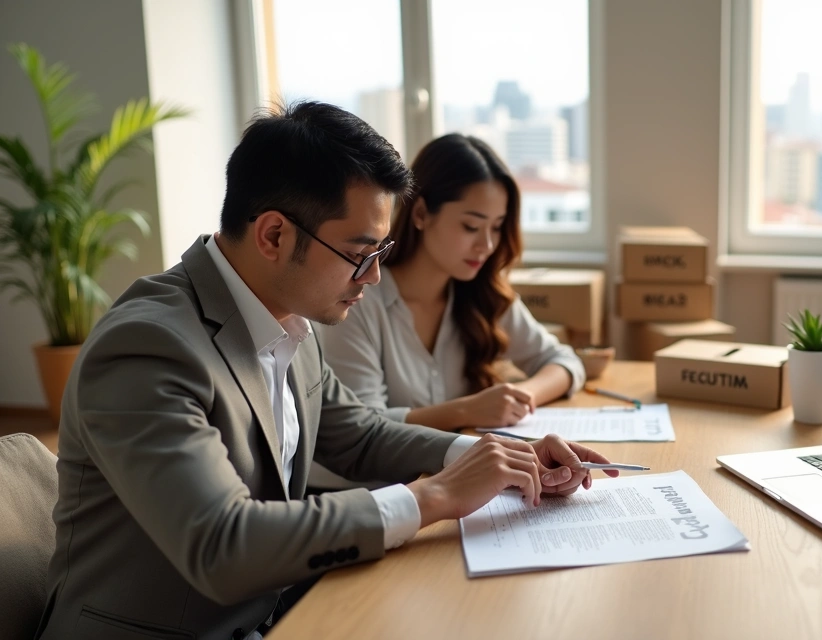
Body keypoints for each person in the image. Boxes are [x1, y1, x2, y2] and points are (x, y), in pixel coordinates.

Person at [37, 102, 613, 640]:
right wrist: (431, 497)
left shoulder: (290, 314)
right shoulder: (148, 346)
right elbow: (221, 545)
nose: (374, 278)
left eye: (381, 253)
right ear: (273, 235)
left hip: (273, 611)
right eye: (360, 254)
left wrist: (492, 457)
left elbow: (358, 432)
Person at [318, 133, 584, 431]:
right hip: (379, 479)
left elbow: (563, 361)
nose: (487, 244)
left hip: (452, 468)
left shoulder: (482, 294)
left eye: (496, 227)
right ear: (421, 213)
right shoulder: (356, 300)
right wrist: (466, 412)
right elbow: (362, 427)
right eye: (471, 226)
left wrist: (518, 399)